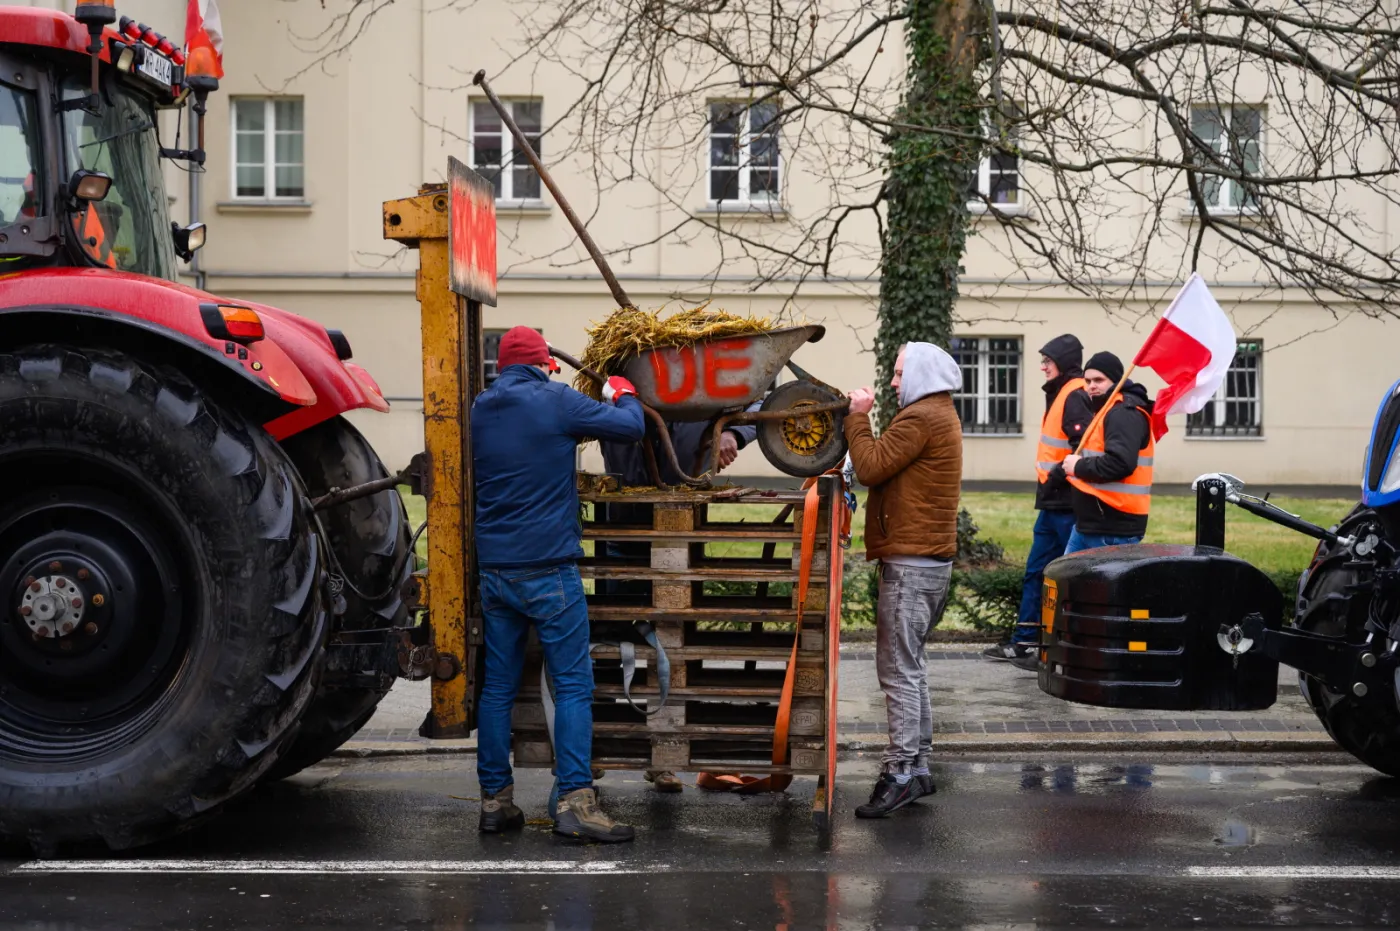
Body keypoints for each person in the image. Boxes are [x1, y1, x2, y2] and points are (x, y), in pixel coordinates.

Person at [471, 326, 646, 843]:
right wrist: (623, 393)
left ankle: (495, 801)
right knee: (572, 684)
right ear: (543, 364)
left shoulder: (479, 407)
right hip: (548, 569)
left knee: (498, 687)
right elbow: (630, 428)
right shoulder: (556, 399)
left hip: (495, 572)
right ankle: (575, 802)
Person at [598, 407, 759, 792]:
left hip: (679, 529)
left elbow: (760, 402)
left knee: (669, 645)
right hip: (621, 528)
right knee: (608, 643)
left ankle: (663, 757)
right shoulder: (617, 381)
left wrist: (733, 433)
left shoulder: (702, 383)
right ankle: (596, 748)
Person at [844, 342, 962, 818]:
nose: (893, 382)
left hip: (912, 567)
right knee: (911, 668)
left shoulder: (921, 418)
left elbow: (870, 467)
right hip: (927, 563)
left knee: (898, 672)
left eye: (898, 373)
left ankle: (898, 775)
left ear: (921, 374)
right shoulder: (938, 413)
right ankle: (918, 768)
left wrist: (857, 418)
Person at [983, 335, 1092, 670]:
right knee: (1037, 573)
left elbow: (1082, 447)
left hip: (1065, 504)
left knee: (1060, 576)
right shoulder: (1063, 392)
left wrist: (1058, 475)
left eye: (1048, 361)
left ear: (1064, 361)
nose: (1043, 367)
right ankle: (1026, 641)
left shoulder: (1074, 394)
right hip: (1053, 502)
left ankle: (1055, 646)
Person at [1062, 350, 1155, 554]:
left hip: (1113, 528)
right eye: (1087, 381)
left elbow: (1120, 463)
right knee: (1065, 575)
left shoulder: (1122, 412)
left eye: (1099, 380)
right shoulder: (1107, 409)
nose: (1091, 386)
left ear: (1116, 382)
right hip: (1092, 525)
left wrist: (1077, 466)